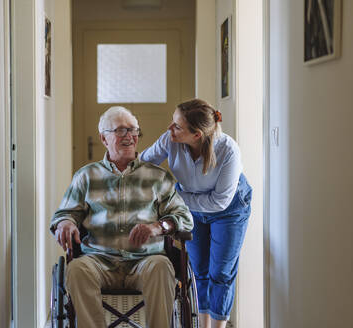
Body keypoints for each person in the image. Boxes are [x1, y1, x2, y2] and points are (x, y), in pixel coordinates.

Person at [50, 106, 194, 328]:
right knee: (77, 270)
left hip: (145, 260)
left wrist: (157, 227)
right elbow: (66, 212)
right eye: (120, 131)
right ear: (104, 138)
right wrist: (66, 223)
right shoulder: (86, 176)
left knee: (162, 266)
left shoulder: (157, 177)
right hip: (99, 260)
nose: (129, 136)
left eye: (133, 130)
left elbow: (183, 216)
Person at [140, 99, 252, 328]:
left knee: (220, 272)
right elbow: (143, 163)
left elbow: (220, 202)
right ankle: (203, 324)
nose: (170, 129)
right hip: (191, 206)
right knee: (198, 269)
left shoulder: (228, 150)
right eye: (173, 122)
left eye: (177, 126)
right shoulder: (169, 140)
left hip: (229, 209)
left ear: (197, 135)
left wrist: (173, 198)